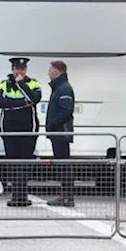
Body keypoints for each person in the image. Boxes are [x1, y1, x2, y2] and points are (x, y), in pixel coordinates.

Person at [0, 57, 42, 207]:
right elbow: (2, 103)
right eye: (17, 68)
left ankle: (23, 195)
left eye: (22, 69)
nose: (19, 71)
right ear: (13, 69)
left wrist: (21, 84)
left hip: (28, 130)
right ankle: (15, 195)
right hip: (9, 129)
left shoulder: (32, 83)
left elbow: (35, 99)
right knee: (13, 163)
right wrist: (23, 103)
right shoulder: (4, 84)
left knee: (25, 163)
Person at [44, 61, 77, 207]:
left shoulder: (63, 89)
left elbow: (65, 110)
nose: (48, 73)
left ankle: (67, 196)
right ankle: (65, 195)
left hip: (61, 132)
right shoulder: (59, 88)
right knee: (61, 164)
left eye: (50, 70)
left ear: (57, 72)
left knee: (63, 164)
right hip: (58, 132)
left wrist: (52, 124)